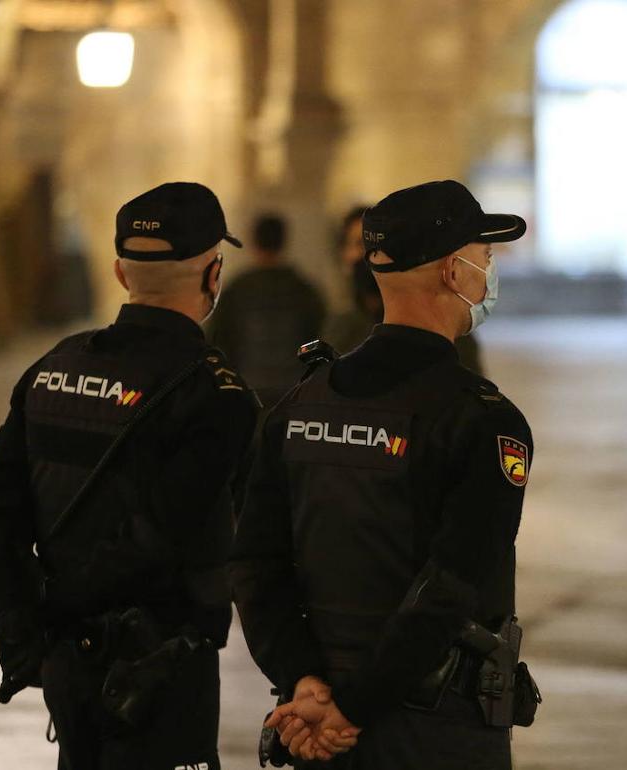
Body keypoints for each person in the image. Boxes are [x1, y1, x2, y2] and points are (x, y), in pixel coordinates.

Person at [230, 180, 537, 768]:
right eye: (486, 257)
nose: (489, 271)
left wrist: (304, 682)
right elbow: (452, 586)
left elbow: (254, 563)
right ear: (454, 272)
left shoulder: (299, 406)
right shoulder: (481, 420)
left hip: (318, 722)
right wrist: (356, 707)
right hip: (436, 728)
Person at [0, 182, 259, 770]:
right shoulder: (216, 394)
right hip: (166, 668)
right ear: (212, 275)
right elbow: (163, 537)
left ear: (122, 273)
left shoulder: (53, 368)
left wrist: (25, 630)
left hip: (65, 664)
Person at [323, 205, 487, 374]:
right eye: (359, 244)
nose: (370, 255)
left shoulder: (442, 327)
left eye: (379, 246)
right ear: (344, 253)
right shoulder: (342, 325)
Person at [207, 213, 326, 407]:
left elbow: (217, 343)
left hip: (247, 390)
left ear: (254, 240)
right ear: (283, 241)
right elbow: (320, 343)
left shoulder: (237, 289)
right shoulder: (304, 290)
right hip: (294, 393)